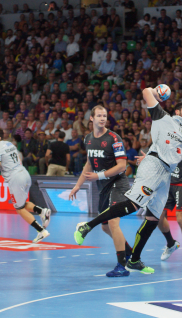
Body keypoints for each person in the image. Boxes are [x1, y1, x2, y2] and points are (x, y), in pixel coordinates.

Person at [73, 87, 182, 274]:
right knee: (133, 204)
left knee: (153, 218)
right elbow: (145, 92)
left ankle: (134, 260)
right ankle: (87, 226)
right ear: (177, 112)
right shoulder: (164, 117)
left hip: (166, 175)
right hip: (153, 165)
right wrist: (156, 91)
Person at [68, 105, 133, 277]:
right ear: (92, 118)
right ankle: (130, 253)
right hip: (103, 187)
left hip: (117, 185)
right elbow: (89, 164)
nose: (102, 118)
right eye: (99, 115)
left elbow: (122, 166)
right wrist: (78, 185)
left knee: (113, 223)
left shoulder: (114, 138)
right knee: (105, 228)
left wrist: (99, 175)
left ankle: (121, 266)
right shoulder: (88, 139)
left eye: (105, 115)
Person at [136, 136, 182, 266]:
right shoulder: (166, 136)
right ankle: (170, 243)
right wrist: (146, 159)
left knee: (180, 218)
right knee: (157, 216)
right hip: (167, 181)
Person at [0, 127, 51, 243]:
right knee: (21, 203)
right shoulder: (9, 144)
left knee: (19, 209)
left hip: (15, 178)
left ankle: (41, 231)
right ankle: (41, 211)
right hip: (24, 173)